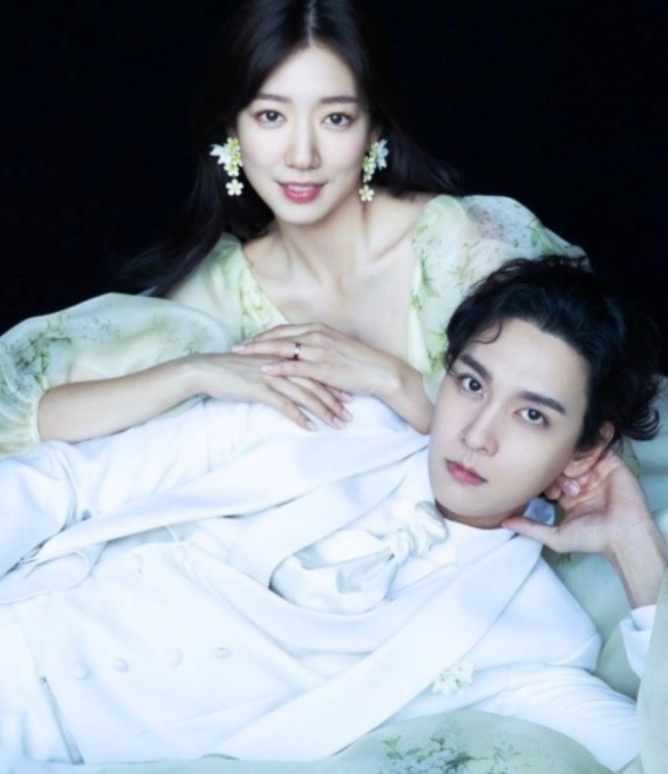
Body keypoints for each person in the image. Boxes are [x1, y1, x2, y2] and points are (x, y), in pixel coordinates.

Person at [1, 256, 665, 774]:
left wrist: (637, 546)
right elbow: (63, 481)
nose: (476, 435)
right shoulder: (322, 413)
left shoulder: (538, 636)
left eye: (532, 416)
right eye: (471, 383)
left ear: (588, 448)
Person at [0, 0, 585, 459]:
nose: (301, 155)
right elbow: (24, 417)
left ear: (374, 133)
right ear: (232, 133)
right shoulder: (222, 292)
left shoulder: (466, 245)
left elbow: (565, 429)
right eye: (271, 116)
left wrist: (398, 383)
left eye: (335, 118)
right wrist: (191, 373)